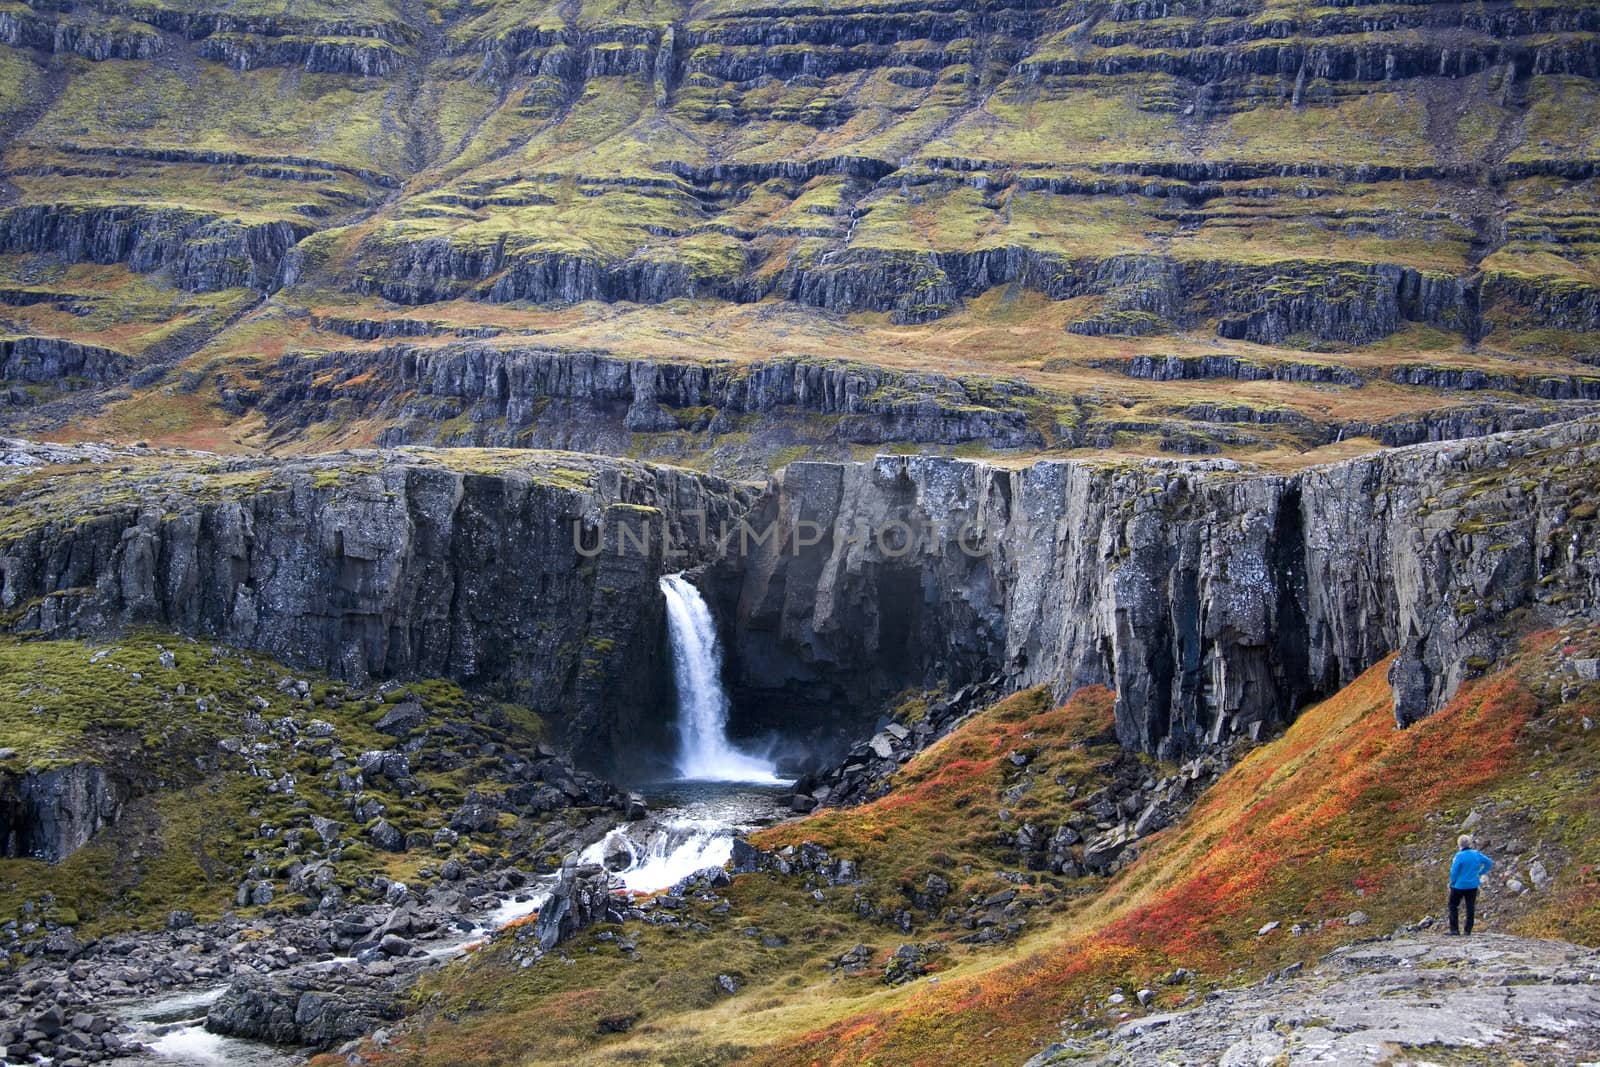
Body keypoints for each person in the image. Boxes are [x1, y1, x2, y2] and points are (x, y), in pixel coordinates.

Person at [1448, 833, 1494, 935]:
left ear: (1459, 844)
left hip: (1459, 885)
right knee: (1470, 907)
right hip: (1473, 885)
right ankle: (1467, 930)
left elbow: (1454, 871)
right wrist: (1480, 872)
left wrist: (1452, 881)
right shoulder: (1476, 854)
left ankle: (1454, 929)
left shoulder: (1459, 856)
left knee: (1453, 905)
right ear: (1469, 843)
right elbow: (1489, 862)